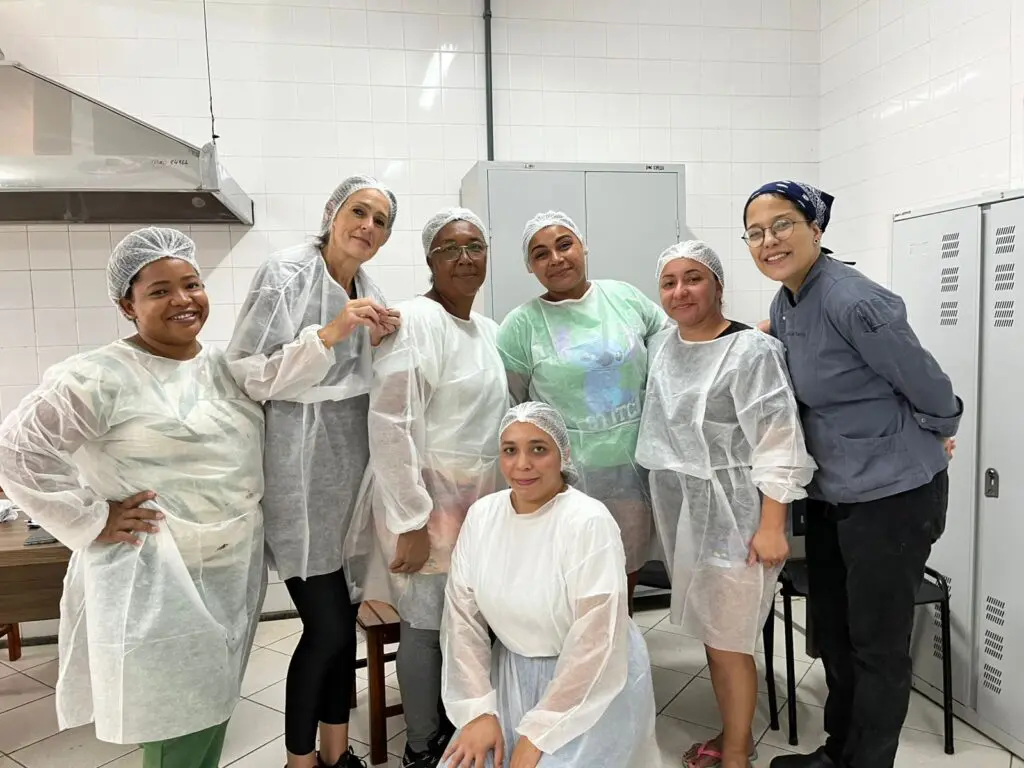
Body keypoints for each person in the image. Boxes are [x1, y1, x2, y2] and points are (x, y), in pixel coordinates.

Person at [0, 228, 265, 768]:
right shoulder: (98, 376)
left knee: (212, 712)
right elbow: (17, 451)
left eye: (191, 284)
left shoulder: (221, 367)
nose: (183, 300)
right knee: (178, 724)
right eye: (160, 290)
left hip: (231, 573)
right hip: (157, 582)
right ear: (128, 304)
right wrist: (93, 518)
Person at [742, 181, 962, 768]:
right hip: (836, 492)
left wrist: (939, 428)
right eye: (756, 232)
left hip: (892, 496)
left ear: (816, 229)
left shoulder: (852, 298)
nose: (769, 240)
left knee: (877, 647)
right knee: (836, 635)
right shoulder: (787, 300)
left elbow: (927, 381)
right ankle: (839, 752)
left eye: (783, 224)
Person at [227, 175, 401, 768]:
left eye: (380, 221)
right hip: (299, 474)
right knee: (325, 631)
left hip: (352, 476)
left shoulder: (371, 290)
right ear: (332, 213)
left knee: (343, 626)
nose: (368, 227)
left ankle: (335, 753)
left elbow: (373, 387)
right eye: (359, 212)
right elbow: (250, 371)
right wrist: (331, 332)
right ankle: (300, 763)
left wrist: (385, 342)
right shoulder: (287, 273)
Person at [637, 241, 816, 768]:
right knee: (717, 636)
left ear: (717, 284)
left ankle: (736, 752)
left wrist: (772, 524)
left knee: (730, 640)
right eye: (669, 282)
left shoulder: (751, 351)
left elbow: (779, 440)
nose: (680, 291)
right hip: (687, 516)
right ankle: (732, 735)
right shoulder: (665, 347)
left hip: (740, 515)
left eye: (693, 278)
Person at [439, 402, 663, 768]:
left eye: (538, 449)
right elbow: (462, 621)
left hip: (592, 683)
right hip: (510, 674)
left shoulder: (588, 521)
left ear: (564, 454)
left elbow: (595, 640)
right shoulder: (483, 516)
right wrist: (478, 710)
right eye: (510, 450)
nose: (522, 464)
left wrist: (540, 732)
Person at [368, 207, 509, 768]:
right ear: (429, 259)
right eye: (450, 248)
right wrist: (411, 520)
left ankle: (465, 725)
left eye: (474, 245)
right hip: (429, 504)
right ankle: (421, 744)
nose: (465, 258)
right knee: (426, 629)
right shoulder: (413, 320)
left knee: (474, 619)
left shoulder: (489, 328)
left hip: (482, 503)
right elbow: (390, 423)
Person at [496, 211, 666, 613]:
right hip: (564, 481)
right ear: (530, 267)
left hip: (632, 474)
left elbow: (671, 355)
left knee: (623, 578)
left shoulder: (624, 298)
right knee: (569, 585)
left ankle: (618, 665)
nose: (555, 259)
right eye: (540, 254)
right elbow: (515, 409)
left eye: (564, 245)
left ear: (583, 246)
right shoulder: (521, 327)